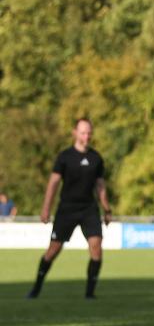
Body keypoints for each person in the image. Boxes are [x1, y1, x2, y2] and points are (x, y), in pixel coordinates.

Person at [27, 118, 111, 299]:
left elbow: (100, 185)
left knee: (96, 247)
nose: (86, 136)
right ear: (75, 133)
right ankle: (36, 289)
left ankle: (90, 294)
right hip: (67, 209)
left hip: (89, 209)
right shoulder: (65, 157)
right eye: (83, 133)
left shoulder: (96, 158)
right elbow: (53, 183)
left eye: (89, 133)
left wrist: (107, 209)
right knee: (53, 251)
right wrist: (46, 208)